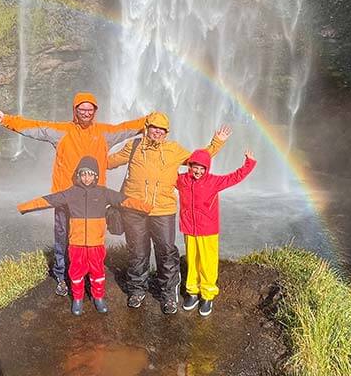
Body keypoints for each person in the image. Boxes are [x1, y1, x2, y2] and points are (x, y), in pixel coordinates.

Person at [0, 92, 146, 296]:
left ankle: (90, 277)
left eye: (90, 110)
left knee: (93, 241)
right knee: (63, 237)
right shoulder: (61, 131)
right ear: (75, 110)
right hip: (66, 197)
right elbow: (35, 128)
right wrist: (5, 119)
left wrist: (149, 121)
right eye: (81, 109)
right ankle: (62, 276)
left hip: (93, 201)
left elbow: (125, 128)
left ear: (95, 111)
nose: (86, 113)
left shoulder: (104, 133)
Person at [107, 112, 231, 314]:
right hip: (134, 209)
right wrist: (85, 159)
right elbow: (109, 161)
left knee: (166, 252)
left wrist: (217, 142)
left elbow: (198, 159)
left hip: (163, 211)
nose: (157, 131)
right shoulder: (134, 146)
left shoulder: (174, 150)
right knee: (137, 251)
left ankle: (168, 295)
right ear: (146, 127)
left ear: (166, 132)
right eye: (154, 127)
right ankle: (137, 290)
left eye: (162, 129)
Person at [18, 155, 151, 315]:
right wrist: (24, 207)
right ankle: (78, 298)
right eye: (83, 174)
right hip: (77, 244)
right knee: (76, 272)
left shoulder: (103, 193)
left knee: (97, 272)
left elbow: (124, 200)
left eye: (90, 174)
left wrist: (146, 207)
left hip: (96, 244)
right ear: (79, 175)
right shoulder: (71, 193)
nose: (87, 177)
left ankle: (99, 297)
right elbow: (49, 200)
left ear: (95, 176)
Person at [177, 147, 256, 317]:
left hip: (207, 229)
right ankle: (192, 292)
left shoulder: (213, 181)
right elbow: (164, 172)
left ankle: (207, 295)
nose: (198, 171)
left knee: (207, 262)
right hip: (189, 227)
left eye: (202, 168)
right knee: (192, 260)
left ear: (207, 168)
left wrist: (248, 163)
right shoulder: (182, 180)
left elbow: (235, 177)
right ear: (189, 166)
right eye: (194, 167)